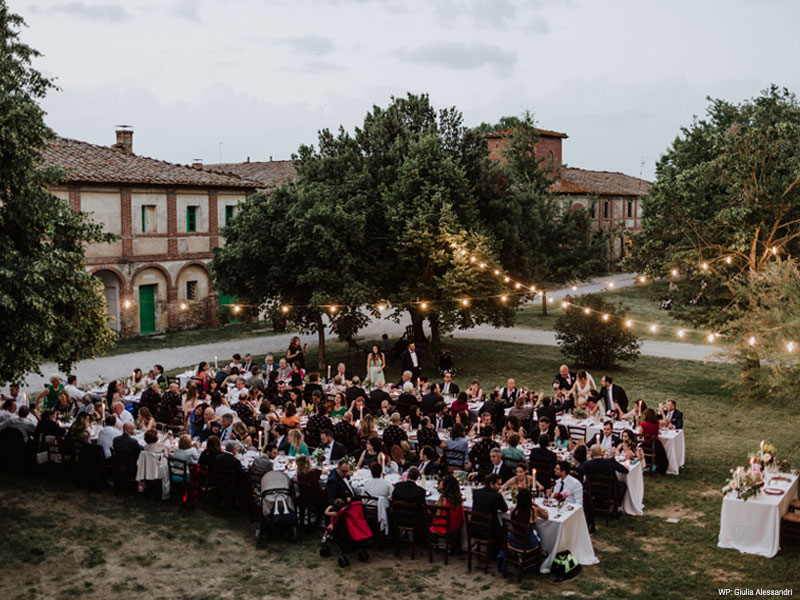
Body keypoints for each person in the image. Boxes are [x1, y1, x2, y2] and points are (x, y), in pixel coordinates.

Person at [470, 473, 508, 553]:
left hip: (474, 528)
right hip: (487, 531)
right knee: (505, 529)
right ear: (491, 483)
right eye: (498, 484)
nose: (500, 487)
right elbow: (505, 509)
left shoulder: (476, 492)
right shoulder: (496, 496)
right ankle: (500, 553)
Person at [508, 488, 548, 553]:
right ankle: (541, 553)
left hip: (513, 540)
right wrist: (537, 505)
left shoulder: (513, 511)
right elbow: (546, 516)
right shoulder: (534, 511)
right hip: (528, 543)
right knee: (539, 536)